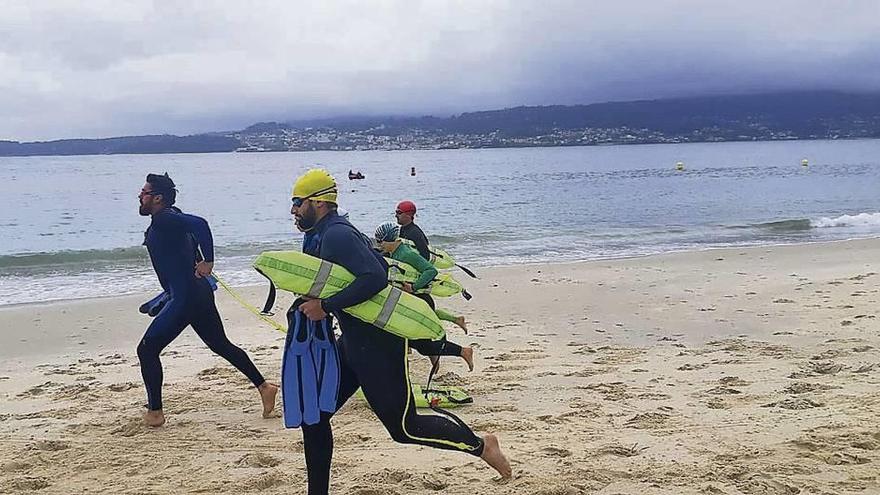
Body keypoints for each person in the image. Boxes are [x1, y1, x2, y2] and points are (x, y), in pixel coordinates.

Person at [289, 169, 510, 494]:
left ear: (318, 202)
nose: (293, 209)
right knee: (315, 417)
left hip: (378, 344)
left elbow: (374, 277)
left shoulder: (338, 234)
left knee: (405, 428)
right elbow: (365, 271)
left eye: (297, 202)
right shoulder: (321, 235)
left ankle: (482, 445)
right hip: (353, 342)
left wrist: (327, 306)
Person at [136, 173, 277, 427]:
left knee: (147, 350)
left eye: (144, 193)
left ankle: (155, 413)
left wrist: (208, 261)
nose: (140, 196)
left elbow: (201, 224)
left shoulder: (165, 218)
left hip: (187, 297)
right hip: (195, 293)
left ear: (157, 198)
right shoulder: (172, 216)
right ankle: (264, 387)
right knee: (220, 344)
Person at [374, 222, 473, 371]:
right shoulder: (394, 253)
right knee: (412, 341)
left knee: (420, 344)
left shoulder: (406, 254)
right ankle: (444, 355)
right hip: (412, 300)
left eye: (380, 241)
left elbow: (430, 270)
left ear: (390, 240)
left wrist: (413, 287)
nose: (379, 244)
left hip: (421, 300)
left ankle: (462, 351)